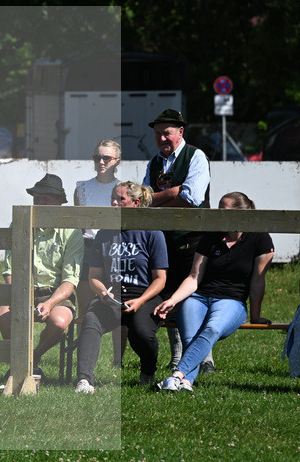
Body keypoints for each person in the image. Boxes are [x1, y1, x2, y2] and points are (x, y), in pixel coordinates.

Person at [156, 191, 274, 391]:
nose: (218, 213)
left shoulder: (260, 237)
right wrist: (173, 300)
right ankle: (185, 382)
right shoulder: (211, 236)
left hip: (232, 300)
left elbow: (257, 280)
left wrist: (255, 316)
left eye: (223, 209)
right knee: (189, 337)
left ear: (240, 213)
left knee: (212, 329)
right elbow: (194, 277)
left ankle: (176, 374)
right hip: (199, 297)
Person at [72, 182, 167, 393]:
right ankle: (84, 380)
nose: (114, 203)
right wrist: (102, 293)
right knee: (91, 321)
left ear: (136, 203)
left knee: (141, 332)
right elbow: (94, 276)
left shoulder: (152, 233)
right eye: (112, 199)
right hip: (112, 296)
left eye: (120, 199)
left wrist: (141, 301)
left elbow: (160, 279)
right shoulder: (104, 234)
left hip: (144, 296)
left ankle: (148, 371)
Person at [0, 173, 83, 384]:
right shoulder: (20, 223)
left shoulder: (72, 231)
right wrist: (19, 296)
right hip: (22, 288)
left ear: (60, 203)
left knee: (60, 322)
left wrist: (51, 301)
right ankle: (24, 363)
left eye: (47, 198)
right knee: (4, 318)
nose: (40, 202)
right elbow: (10, 269)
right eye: (37, 197)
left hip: (56, 292)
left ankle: (32, 358)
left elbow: (70, 279)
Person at [143, 108, 211, 369]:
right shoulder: (154, 162)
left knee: (193, 297)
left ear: (180, 132)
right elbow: (142, 200)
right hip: (163, 239)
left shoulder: (197, 157)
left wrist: (157, 198)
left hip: (194, 239)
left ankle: (204, 358)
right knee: (169, 295)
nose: (162, 139)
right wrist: (171, 192)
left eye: (167, 134)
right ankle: (177, 355)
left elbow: (192, 198)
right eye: (158, 134)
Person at [74, 139, 123, 313]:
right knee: (85, 307)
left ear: (117, 160)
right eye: (97, 158)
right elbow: (79, 225)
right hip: (88, 248)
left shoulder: (123, 188)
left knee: (118, 307)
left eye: (107, 158)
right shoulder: (83, 188)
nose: (101, 162)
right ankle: (82, 341)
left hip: (115, 249)